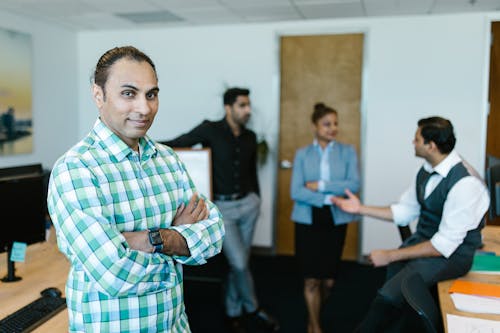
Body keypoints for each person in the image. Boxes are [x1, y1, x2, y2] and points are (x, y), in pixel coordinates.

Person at [47, 46, 225, 333]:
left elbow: (214, 233)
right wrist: (177, 243)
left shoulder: (167, 159)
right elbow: (113, 272)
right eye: (128, 93)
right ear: (98, 95)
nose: (144, 108)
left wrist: (151, 240)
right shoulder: (76, 170)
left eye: (151, 94)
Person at [332, 116, 490, 332]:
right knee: (395, 289)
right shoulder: (427, 169)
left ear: (430, 146)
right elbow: (404, 211)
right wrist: (360, 209)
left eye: (416, 139)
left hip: (451, 256)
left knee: (387, 298)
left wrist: (389, 254)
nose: (412, 142)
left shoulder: (466, 183)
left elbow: (442, 246)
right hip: (427, 243)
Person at [161, 87, 280, 333]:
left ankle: (232, 310)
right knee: (238, 263)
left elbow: (251, 172)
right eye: (242, 105)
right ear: (228, 108)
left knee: (242, 262)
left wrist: (256, 199)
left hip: (248, 205)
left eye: (248, 105)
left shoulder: (249, 137)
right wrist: (141, 144)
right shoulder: (210, 130)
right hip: (223, 208)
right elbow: (178, 143)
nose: (247, 111)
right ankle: (253, 307)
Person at [290, 103, 360, 333]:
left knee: (328, 281)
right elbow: (296, 191)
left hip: (335, 219)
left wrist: (320, 186)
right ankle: (315, 325)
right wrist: (330, 197)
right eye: (327, 124)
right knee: (311, 279)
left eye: (335, 124)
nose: (333, 128)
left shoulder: (347, 151)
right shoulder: (302, 154)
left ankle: (315, 314)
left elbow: (354, 184)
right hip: (307, 220)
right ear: (315, 126)